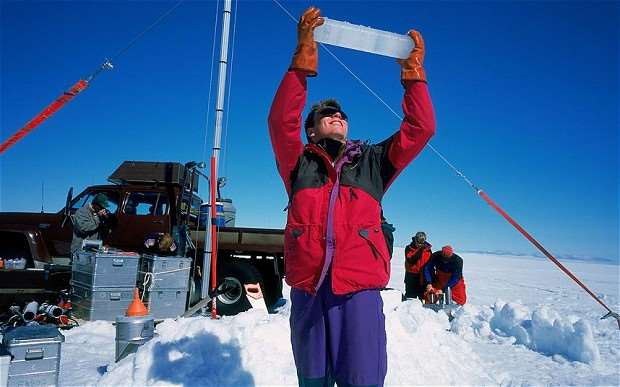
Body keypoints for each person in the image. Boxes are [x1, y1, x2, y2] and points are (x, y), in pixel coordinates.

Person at [268, 6, 435, 386]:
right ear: (311, 131)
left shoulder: (373, 163)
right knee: (312, 379)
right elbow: (281, 122)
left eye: (341, 114)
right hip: (309, 291)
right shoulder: (298, 165)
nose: (337, 116)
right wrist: (302, 61)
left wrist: (413, 77)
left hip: (357, 292)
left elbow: (421, 128)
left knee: (362, 378)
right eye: (326, 114)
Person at [404, 231, 432, 300]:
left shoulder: (428, 250)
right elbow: (411, 260)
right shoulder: (408, 248)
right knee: (410, 298)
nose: (419, 245)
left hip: (423, 277)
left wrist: (430, 280)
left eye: (421, 243)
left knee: (423, 298)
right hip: (411, 277)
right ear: (415, 240)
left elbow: (430, 263)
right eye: (418, 243)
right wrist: (421, 250)